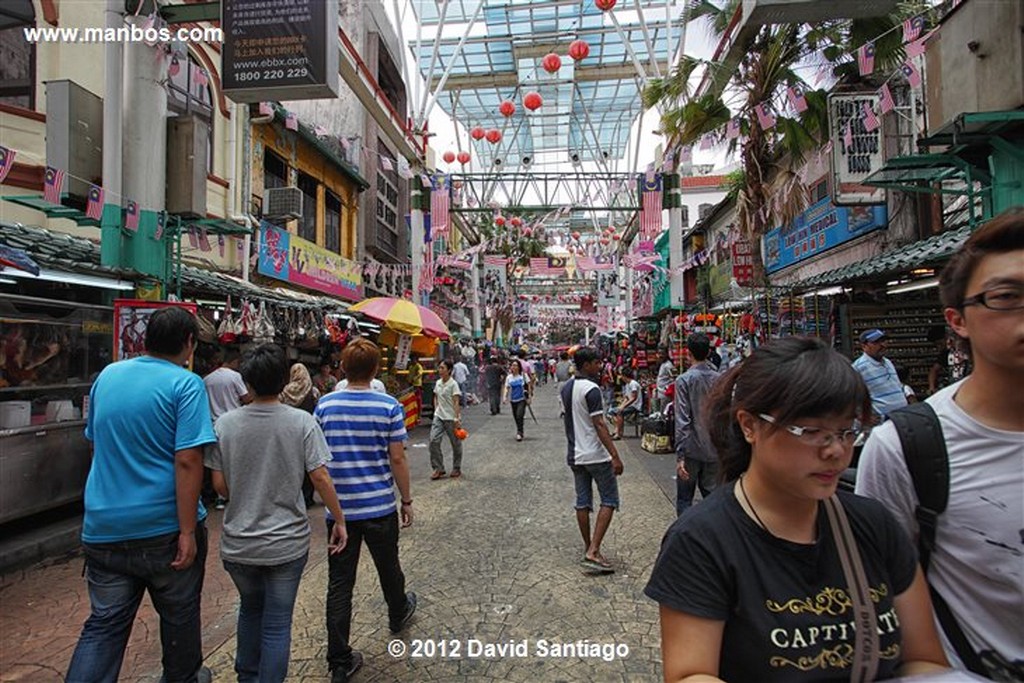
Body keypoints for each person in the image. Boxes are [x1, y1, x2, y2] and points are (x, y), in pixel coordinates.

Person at [644, 336, 949, 682]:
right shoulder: (702, 541)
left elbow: (925, 660)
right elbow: (691, 673)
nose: (835, 450)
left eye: (847, 431)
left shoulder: (873, 525)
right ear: (750, 425)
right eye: (811, 431)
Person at [856, 210, 1024, 679]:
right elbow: (877, 600)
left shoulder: (887, 367)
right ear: (958, 320)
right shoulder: (902, 451)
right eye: (1007, 297)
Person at [66, 307, 218, 683]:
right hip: (163, 529)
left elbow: (95, 446)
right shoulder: (185, 384)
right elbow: (187, 460)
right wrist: (186, 531)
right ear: (189, 344)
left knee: (104, 626)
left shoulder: (108, 376)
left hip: (104, 527)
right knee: (179, 620)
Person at [205, 345, 348, 683]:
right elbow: (320, 477)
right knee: (277, 624)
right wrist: (339, 519)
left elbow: (220, 486)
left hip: (239, 543)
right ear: (283, 380)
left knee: (250, 610)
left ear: (247, 382)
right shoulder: (302, 422)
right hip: (286, 543)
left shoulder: (225, 425)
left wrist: (248, 489)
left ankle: (247, 677)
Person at [314, 338, 416, 683]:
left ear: (343, 368)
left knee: (340, 584)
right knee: (389, 567)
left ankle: (339, 660)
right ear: (376, 370)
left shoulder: (325, 406)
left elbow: (318, 460)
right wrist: (406, 499)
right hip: (378, 507)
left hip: (339, 513)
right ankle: (397, 611)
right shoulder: (388, 406)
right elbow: (398, 457)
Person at [560, 347, 624, 575]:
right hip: (595, 455)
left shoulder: (566, 388)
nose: (599, 367)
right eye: (596, 363)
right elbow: (599, 424)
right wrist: (615, 455)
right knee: (609, 499)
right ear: (586, 364)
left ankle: (589, 546)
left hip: (575, 454)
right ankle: (594, 551)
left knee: (583, 501)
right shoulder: (592, 389)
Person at [673, 333, 720, 515]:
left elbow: (682, 420)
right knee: (713, 500)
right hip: (714, 449)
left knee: (685, 499)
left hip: (691, 450)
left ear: (688, 352)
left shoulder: (684, 380)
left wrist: (680, 456)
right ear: (709, 352)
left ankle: (686, 541)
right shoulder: (719, 378)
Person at [280, 363, 319, 507]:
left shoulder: (286, 390)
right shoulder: (313, 390)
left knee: (292, 462)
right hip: (307, 427)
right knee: (308, 464)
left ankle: (294, 496)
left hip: (289, 429)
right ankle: (308, 497)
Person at [852, 328, 908, 422]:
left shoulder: (888, 362)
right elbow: (849, 396)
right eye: (876, 342)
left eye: (883, 341)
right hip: (882, 421)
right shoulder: (859, 367)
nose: (882, 345)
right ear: (864, 346)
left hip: (901, 418)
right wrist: (862, 416)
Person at [428, 359, 463, 479]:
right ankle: (438, 468)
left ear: (449, 370)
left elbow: (456, 401)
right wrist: (436, 410)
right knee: (433, 440)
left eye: (443, 368)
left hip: (451, 418)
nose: (440, 370)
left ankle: (456, 467)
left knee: (455, 444)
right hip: (439, 416)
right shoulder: (438, 383)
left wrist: (457, 418)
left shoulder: (453, 384)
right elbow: (436, 396)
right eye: (439, 368)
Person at [204, 347, 252, 421]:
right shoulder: (235, 376)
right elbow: (246, 398)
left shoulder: (207, 379)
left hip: (214, 421)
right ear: (234, 361)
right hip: (232, 420)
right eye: (238, 363)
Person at [502, 359, 530, 441]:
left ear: (519, 367)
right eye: (512, 365)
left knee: (519, 415)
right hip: (513, 400)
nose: (514, 367)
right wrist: (504, 397)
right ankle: (520, 429)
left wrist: (529, 397)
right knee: (516, 417)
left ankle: (519, 432)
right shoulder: (509, 377)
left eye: (516, 365)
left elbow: (528, 386)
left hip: (522, 399)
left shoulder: (523, 376)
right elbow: (506, 388)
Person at [609, 368, 641, 440]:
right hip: (630, 405)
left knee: (619, 412)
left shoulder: (633, 384)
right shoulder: (627, 384)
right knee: (612, 411)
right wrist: (621, 406)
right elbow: (626, 398)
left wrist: (623, 407)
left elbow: (633, 398)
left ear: (624, 376)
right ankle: (617, 431)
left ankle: (618, 433)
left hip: (635, 406)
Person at [406, 354, 424, 422]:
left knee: (418, 400)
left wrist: (414, 378)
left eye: (413, 359)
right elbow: (409, 374)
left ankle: (418, 416)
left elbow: (420, 373)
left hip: (417, 385)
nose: (412, 361)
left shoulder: (418, 366)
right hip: (411, 385)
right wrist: (408, 380)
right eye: (411, 360)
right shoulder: (411, 367)